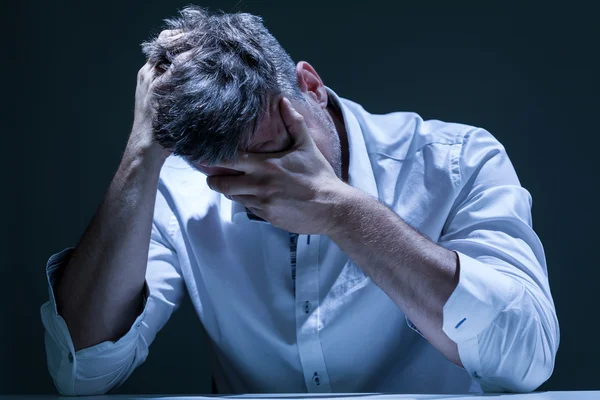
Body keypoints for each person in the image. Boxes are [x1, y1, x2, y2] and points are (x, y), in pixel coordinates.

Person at [40, 5, 559, 396]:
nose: (266, 184)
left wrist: (343, 212)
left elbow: (526, 357)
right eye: (227, 172)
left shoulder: (457, 161)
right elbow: (82, 371)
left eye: (278, 149)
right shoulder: (179, 188)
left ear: (310, 86)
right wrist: (141, 153)